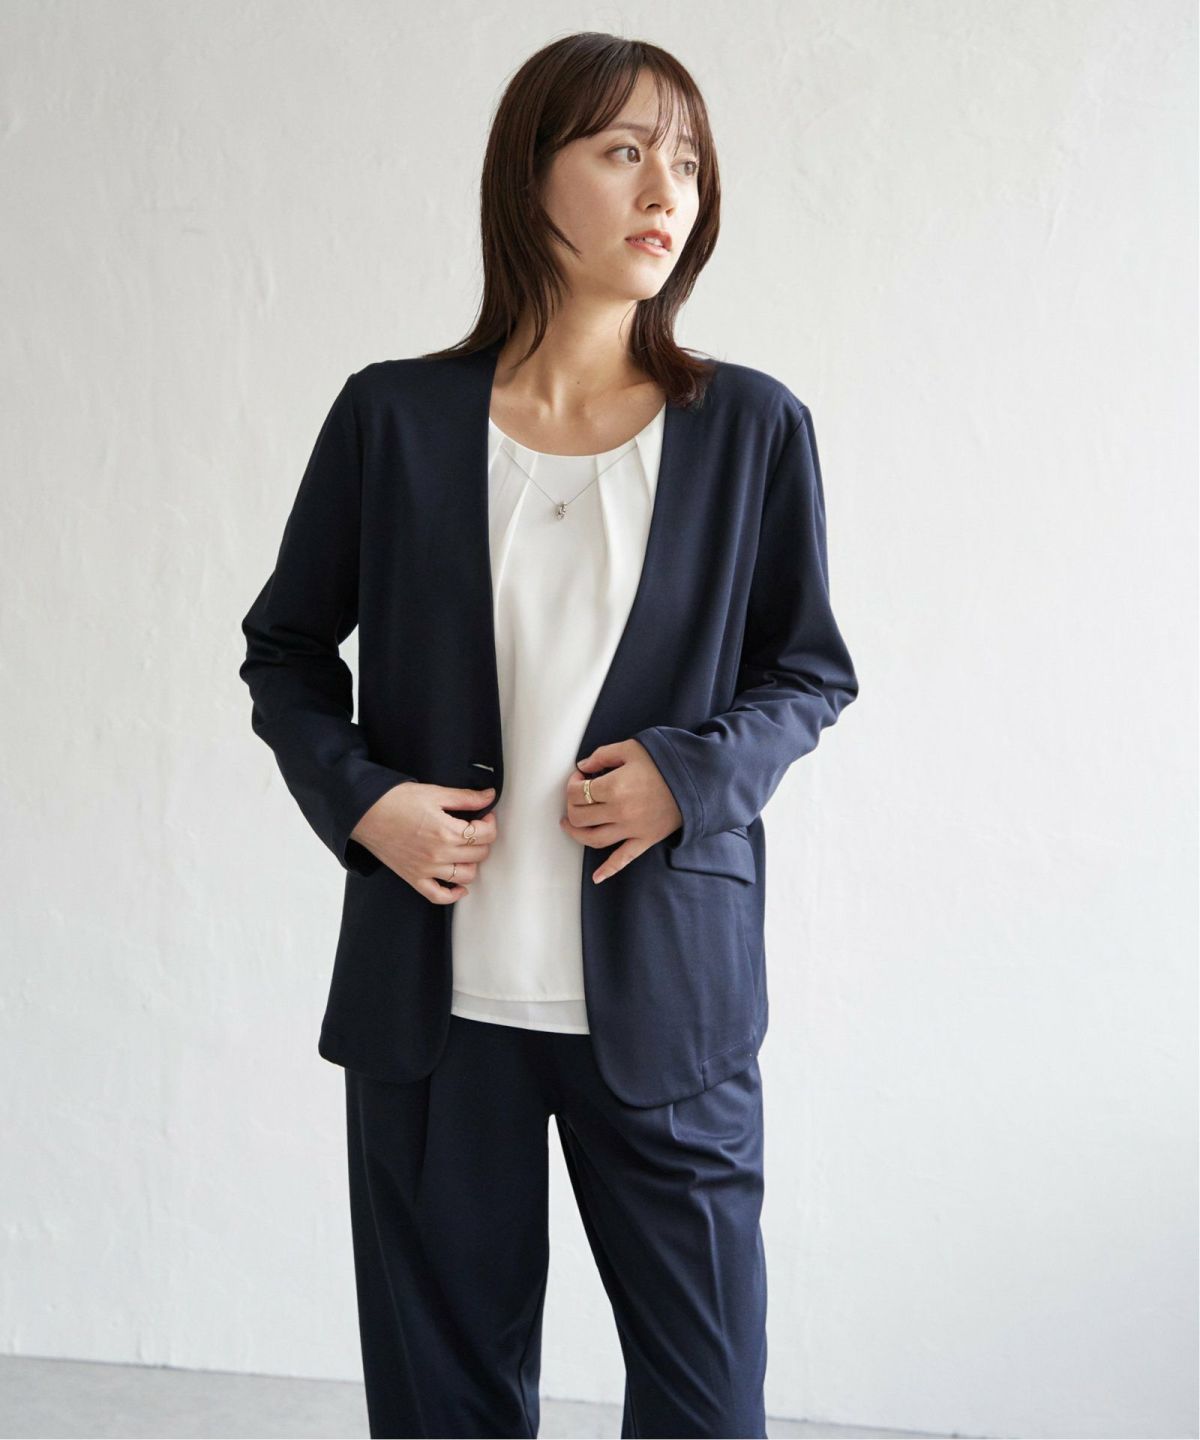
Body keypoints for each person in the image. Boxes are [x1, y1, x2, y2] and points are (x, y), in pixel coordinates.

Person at [239, 31, 858, 1440]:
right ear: (532, 178)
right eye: (625, 150)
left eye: (686, 160)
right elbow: (285, 651)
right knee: (444, 1409)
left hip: (669, 1001)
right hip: (435, 1007)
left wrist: (690, 776)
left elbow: (809, 673)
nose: (667, 189)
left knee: (707, 1405)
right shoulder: (393, 418)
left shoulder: (750, 429)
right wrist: (364, 801)